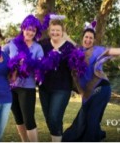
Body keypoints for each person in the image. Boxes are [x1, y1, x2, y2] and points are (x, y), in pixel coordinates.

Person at [62, 20, 120, 142]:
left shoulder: (98, 50)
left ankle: (93, 138)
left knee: (92, 119)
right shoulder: (78, 50)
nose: (88, 40)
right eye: (86, 37)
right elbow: (67, 38)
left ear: (94, 40)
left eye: (91, 38)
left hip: (101, 88)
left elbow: (117, 50)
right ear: (82, 38)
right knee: (83, 121)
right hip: (88, 93)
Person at [2, 14, 43, 142]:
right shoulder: (12, 43)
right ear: (23, 28)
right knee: (18, 118)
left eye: (33, 30)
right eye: (28, 29)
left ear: (36, 32)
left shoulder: (37, 47)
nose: (30, 32)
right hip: (12, 87)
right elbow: (1, 57)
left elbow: (41, 67)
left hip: (27, 88)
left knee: (28, 119)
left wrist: (30, 65)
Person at [38, 14, 76, 142]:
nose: (55, 33)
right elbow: (29, 49)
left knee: (54, 117)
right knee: (50, 118)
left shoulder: (69, 47)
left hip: (62, 88)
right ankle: (58, 138)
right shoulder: (42, 45)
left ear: (62, 32)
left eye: (58, 30)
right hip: (44, 88)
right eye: (52, 30)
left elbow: (79, 60)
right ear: (49, 31)